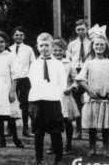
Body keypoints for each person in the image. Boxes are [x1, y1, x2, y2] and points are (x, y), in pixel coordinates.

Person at [75, 35, 109, 156]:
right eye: (97, 45)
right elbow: (80, 79)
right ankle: (92, 147)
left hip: (106, 98)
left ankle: (106, 148)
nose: (99, 47)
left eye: (102, 44)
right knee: (92, 125)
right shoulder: (89, 63)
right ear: (93, 47)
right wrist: (89, 90)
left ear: (106, 47)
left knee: (105, 125)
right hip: (93, 98)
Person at [28, 32, 68, 165]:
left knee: (55, 131)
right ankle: (38, 158)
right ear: (37, 47)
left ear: (52, 46)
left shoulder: (58, 64)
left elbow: (62, 84)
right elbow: (32, 82)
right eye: (41, 45)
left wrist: (54, 95)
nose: (44, 48)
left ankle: (59, 157)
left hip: (53, 101)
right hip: (37, 100)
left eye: (47, 45)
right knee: (38, 132)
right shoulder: (34, 64)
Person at [52, 38, 80, 153]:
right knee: (53, 122)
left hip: (65, 96)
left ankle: (68, 143)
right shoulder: (49, 63)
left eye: (60, 50)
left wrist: (71, 88)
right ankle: (55, 145)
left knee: (67, 120)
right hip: (52, 96)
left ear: (64, 51)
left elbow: (76, 79)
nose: (57, 53)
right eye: (55, 50)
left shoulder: (68, 64)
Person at [65, 19, 91, 138]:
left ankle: (93, 130)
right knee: (76, 102)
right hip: (76, 73)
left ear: (87, 29)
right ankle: (79, 130)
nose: (81, 31)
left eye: (83, 29)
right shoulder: (72, 44)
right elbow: (69, 60)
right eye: (78, 29)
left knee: (91, 101)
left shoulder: (91, 43)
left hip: (88, 73)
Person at [10, 27, 36, 137]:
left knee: (25, 104)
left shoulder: (28, 49)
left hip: (25, 79)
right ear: (13, 36)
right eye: (16, 35)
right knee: (11, 103)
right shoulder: (8, 49)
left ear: (24, 37)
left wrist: (31, 77)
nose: (18, 37)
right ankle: (10, 128)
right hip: (12, 80)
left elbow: (33, 64)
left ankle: (26, 128)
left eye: (21, 35)